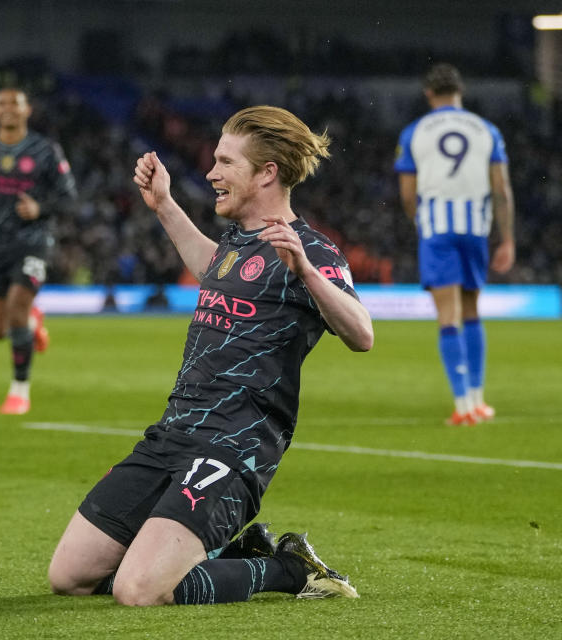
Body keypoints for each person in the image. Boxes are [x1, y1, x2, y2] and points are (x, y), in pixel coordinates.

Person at [48, 106, 374, 607]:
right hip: (172, 433)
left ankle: (287, 567)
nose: (211, 173)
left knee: (139, 590)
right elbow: (214, 270)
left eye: (225, 162)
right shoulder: (238, 242)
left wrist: (307, 271)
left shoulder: (312, 251)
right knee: (69, 576)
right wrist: (164, 206)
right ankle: (229, 554)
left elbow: (361, 334)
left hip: (233, 447)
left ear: (267, 173)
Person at [394, 63, 516, 426]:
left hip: (437, 229)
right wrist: (507, 239)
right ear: (460, 93)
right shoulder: (485, 130)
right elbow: (501, 189)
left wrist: (421, 223)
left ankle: (462, 405)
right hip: (475, 228)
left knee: (448, 315)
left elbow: (407, 193)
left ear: (429, 94)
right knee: (472, 310)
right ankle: (479, 400)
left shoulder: (414, 132)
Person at [0, 87, 77, 415]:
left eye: (14, 104)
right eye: (0, 103)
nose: (7, 109)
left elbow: (70, 197)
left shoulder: (45, 150)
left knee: (15, 309)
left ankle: (19, 391)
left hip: (33, 241)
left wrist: (40, 208)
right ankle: (31, 324)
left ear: (27, 110)